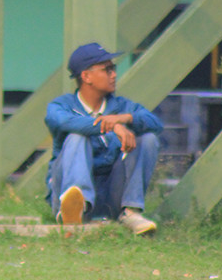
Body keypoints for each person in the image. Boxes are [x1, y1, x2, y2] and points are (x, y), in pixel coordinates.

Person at [45, 42, 164, 235]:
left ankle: (131, 212)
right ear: (86, 76)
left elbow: (156, 123)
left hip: (110, 192)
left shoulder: (121, 106)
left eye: (113, 69)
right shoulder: (61, 106)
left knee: (148, 139)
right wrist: (112, 126)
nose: (114, 74)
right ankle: (75, 209)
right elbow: (64, 122)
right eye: (107, 70)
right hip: (66, 189)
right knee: (77, 137)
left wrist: (125, 118)